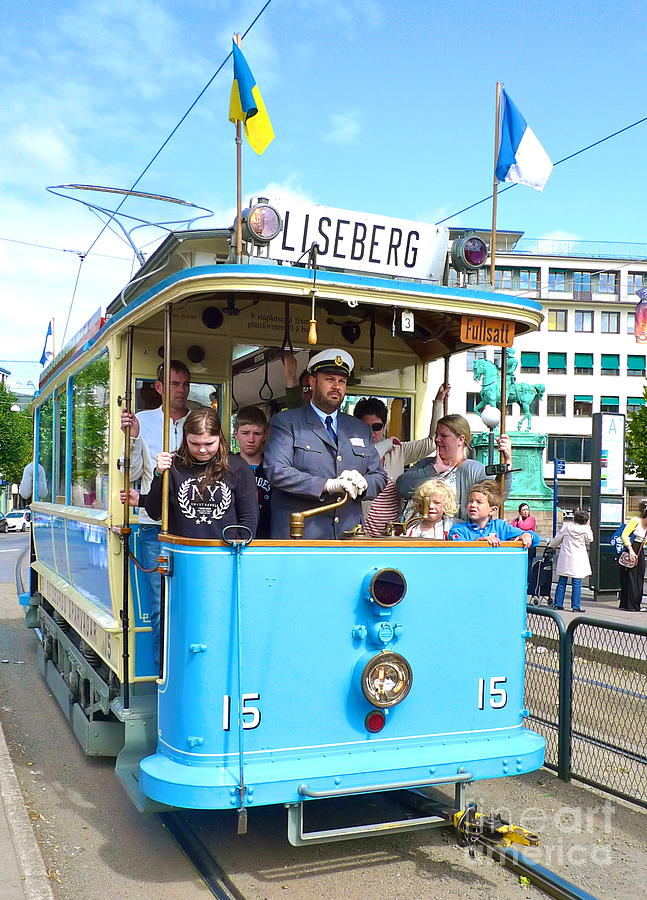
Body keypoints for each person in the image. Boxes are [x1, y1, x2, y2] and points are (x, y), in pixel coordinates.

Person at [263, 348, 387, 539]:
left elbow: (379, 476)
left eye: (342, 381)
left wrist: (364, 485)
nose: (337, 386)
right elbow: (277, 471)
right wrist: (327, 485)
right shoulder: (287, 422)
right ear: (312, 382)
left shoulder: (359, 428)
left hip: (348, 536)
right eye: (330, 379)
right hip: (301, 537)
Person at [120, 360, 192, 668]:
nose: (181, 390)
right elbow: (134, 472)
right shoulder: (145, 421)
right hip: (155, 526)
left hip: (193, 526)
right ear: (160, 388)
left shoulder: (200, 420)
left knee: (190, 602)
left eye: (185, 384)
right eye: (175, 384)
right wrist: (134, 438)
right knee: (160, 603)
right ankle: (164, 673)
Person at [145, 408, 258, 539]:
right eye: (195, 443)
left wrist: (238, 549)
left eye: (209, 443)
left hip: (226, 550)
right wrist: (159, 474)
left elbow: (249, 518)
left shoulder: (237, 466)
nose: (202, 450)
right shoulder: (173, 465)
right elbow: (154, 512)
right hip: (182, 549)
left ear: (219, 438)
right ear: (185, 438)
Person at [353, 386, 448, 536]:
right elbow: (369, 456)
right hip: (363, 532)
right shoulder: (352, 452)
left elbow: (431, 443)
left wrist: (438, 402)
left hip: (393, 532)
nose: (372, 432)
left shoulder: (398, 450)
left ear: (384, 427)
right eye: (366, 427)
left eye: (377, 426)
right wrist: (385, 444)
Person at [396, 414, 512, 519]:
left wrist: (507, 460)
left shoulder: (474, 469)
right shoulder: (426, 464)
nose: (437, 439)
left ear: (460, 440)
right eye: (436, 435)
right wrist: (434, 469)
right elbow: (402, 488)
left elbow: (496, 496)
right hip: (417, 534)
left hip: (452, 536)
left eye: (444, 436)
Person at [449, 480, 539, 548]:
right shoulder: (458, 529)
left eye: (479, 502)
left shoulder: (500, 527)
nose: (473, 505)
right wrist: (477, 541)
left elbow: (535, 538)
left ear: (492, 510)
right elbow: (459, 547)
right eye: (470, 501)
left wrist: (528, 536)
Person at [233, 405, 271, 539]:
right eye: (245, 433)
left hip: (268, 537)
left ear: (265, 435)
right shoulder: (228, 467)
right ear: (236, 434)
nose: (251, 439)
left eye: (257, 433)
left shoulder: (273, 468)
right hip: (235, 537)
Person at [547, 508, 593, 612]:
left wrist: (551, 546)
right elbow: (590, 539)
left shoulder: (567, 527)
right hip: (579, 558)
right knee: (576, 583)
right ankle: (575, 606)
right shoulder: (586, 529)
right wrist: (588, 527)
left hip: (566, 557)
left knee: (562, 581)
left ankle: (558, 604)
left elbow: (557, 539)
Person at [617, 500, 647, 612]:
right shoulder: (635, 521)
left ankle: (635, 604)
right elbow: (624, 535)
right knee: (630, 577)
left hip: (640, 550)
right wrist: (630, 550)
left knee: (638, 577)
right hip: (632, 548)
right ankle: (629, 604)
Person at [511, 502, 538, 590]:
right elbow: (511, 530)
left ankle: (528, 584)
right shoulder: (515, 521)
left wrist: (520, 521)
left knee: (528, 566)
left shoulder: (532, 519)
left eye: (527, 509)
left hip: (529, 547)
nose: (526, 511)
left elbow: (524, 527)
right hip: (518, 547)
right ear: (519, 512)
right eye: (523, 510)